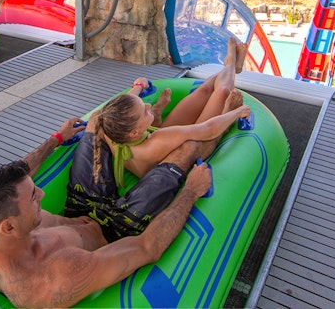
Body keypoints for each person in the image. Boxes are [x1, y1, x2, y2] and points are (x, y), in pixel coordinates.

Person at [0, 119, 212, 308]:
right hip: (117, 228)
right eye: (32, 196)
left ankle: (156, 122)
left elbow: (19, 175)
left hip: (81, 206)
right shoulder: (54, 278)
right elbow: (148, 247)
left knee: (97, 121)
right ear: (8, 227)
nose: (41, 194)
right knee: (188, 148)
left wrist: (57, 138)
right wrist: (190, 190)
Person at [65, 37, 250, 240]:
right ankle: (231, 65)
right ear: (134, 132)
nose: (147, 105)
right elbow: (207, 129)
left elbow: (110, 111)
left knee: (205, 89)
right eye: (145, 111)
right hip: (167, 150)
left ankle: (232, 66)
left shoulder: (112, 131)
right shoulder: (160, 139)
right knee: (221, 91)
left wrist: (137, 87)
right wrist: (234, 112)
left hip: (148, 147)